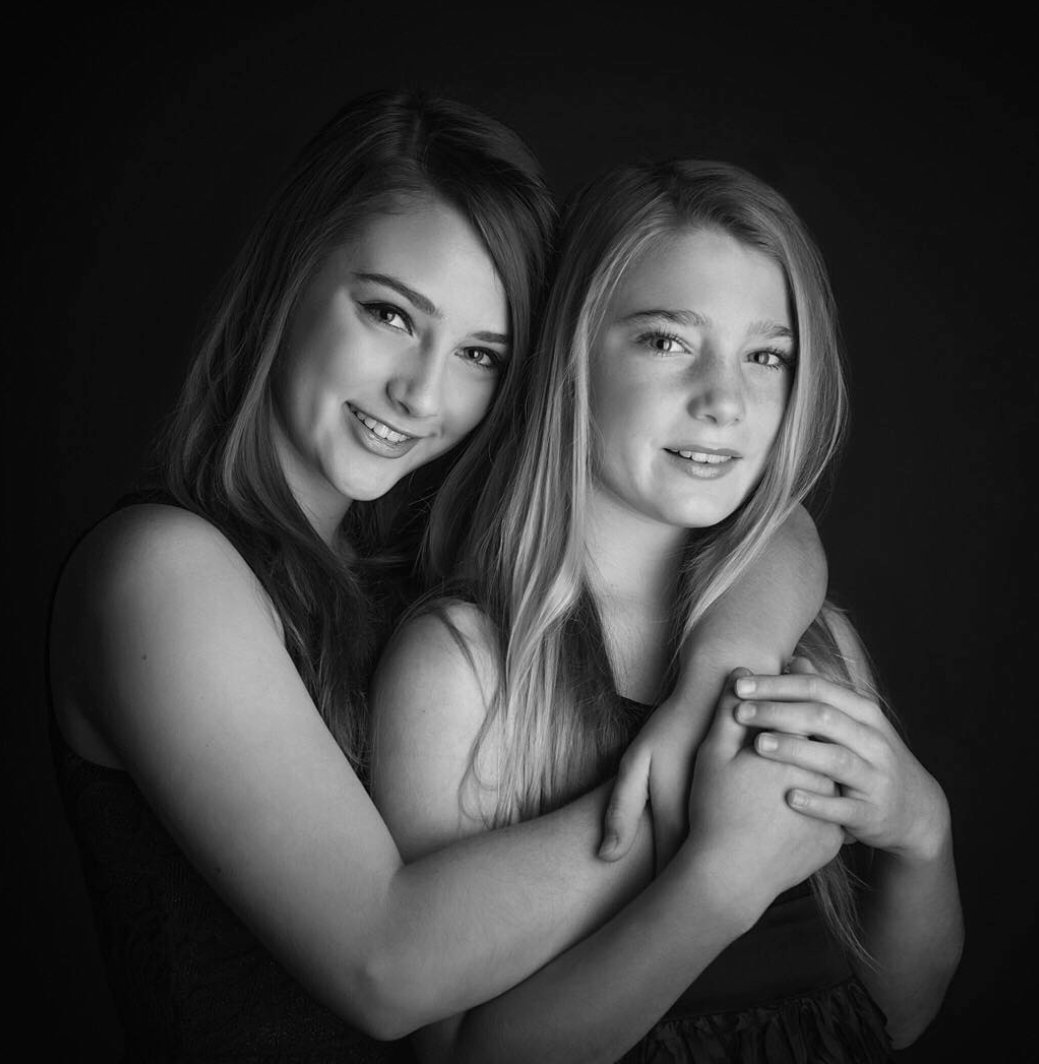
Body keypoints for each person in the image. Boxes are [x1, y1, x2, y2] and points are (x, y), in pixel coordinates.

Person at [47, 91, 829, 1060]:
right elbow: (386, 967)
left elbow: (773, 523)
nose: (422, 392)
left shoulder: (411, 533)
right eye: (388, 312)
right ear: (288, 275)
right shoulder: (160, 569)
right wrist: (696, 816)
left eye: (479, 355)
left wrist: (721, 670)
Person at [370, 159, 964, 1062]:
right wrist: (717, 887)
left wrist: (924, 833)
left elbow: (894, 1016)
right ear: (570, 356)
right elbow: (448, 1055)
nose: (724, 401)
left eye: (766, 355)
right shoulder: (466, 666)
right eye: (667, 341)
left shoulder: (809, 640)